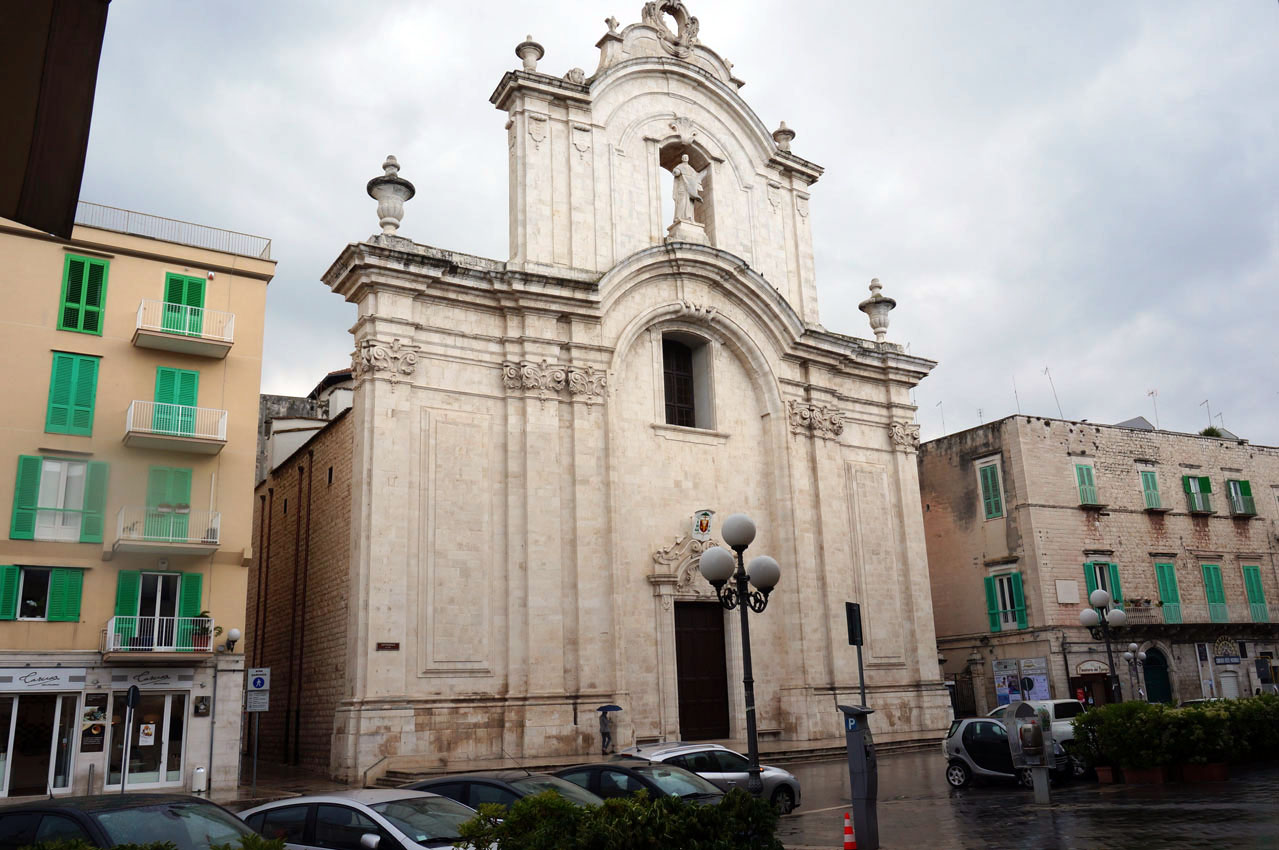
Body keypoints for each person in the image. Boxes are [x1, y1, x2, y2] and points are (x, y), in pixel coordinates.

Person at [671, 154, 703, 222]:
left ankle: (689, 216)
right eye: (684, 157)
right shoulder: (679, 166)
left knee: (689, 203)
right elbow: (676, 172)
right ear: (682, 159)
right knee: (681, 201)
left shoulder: (691, 169)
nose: (685, 158)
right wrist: (676, 171)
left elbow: (696, 177)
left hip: (690, 189)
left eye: (686, 157)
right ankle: (678, 216)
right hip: (682, 187)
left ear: (688, 159)